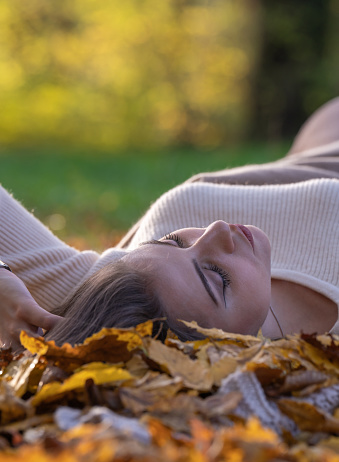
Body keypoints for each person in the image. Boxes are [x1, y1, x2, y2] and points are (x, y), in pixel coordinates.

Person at [1, 98, 339, 351]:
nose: (217, 229)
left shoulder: (119, 294)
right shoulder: (313, 364)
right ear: (224, 351)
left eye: (172, 240)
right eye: (217, 277)